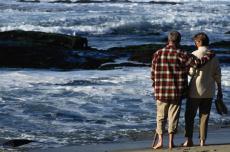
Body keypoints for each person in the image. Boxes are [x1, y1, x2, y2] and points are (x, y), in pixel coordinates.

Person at [151, 31, 215, 149]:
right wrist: (209, 55)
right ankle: (171, 141)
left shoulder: (158, 53)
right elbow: (197, 64)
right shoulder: (182, 53)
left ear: (168, 40)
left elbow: (153, 73)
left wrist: (155, 86)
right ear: (179, 41)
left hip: (160, 91)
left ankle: (160, 141)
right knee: (173, 117)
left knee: (160, 117)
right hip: (176, 91)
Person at [183, 32, 222, 147]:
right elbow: (217, 74)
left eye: (195, 41)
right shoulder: (213, 55)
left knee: (189, 116)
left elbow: (190, 72)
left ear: (199, 42)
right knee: (204, 116)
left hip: (195, 90)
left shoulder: (193, 54)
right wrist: (219, 89)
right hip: (209, 90)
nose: (195, 43)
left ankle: (189, 140)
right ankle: (202, 141)